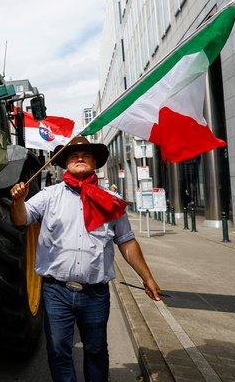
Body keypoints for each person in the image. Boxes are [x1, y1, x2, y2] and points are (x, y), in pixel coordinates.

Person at [10, 136, 161, 382]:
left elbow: (127, 241)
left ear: (95, 163)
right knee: (58, 351)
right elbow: (20, 218)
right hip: (56, 291)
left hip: (95, 294)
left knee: (96, 350)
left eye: (86, 155)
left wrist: (148, 278)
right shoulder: (49, 196)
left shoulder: (110, 201)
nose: (79, 158)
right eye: (73, 155)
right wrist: (17, 200)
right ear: (65, 164)